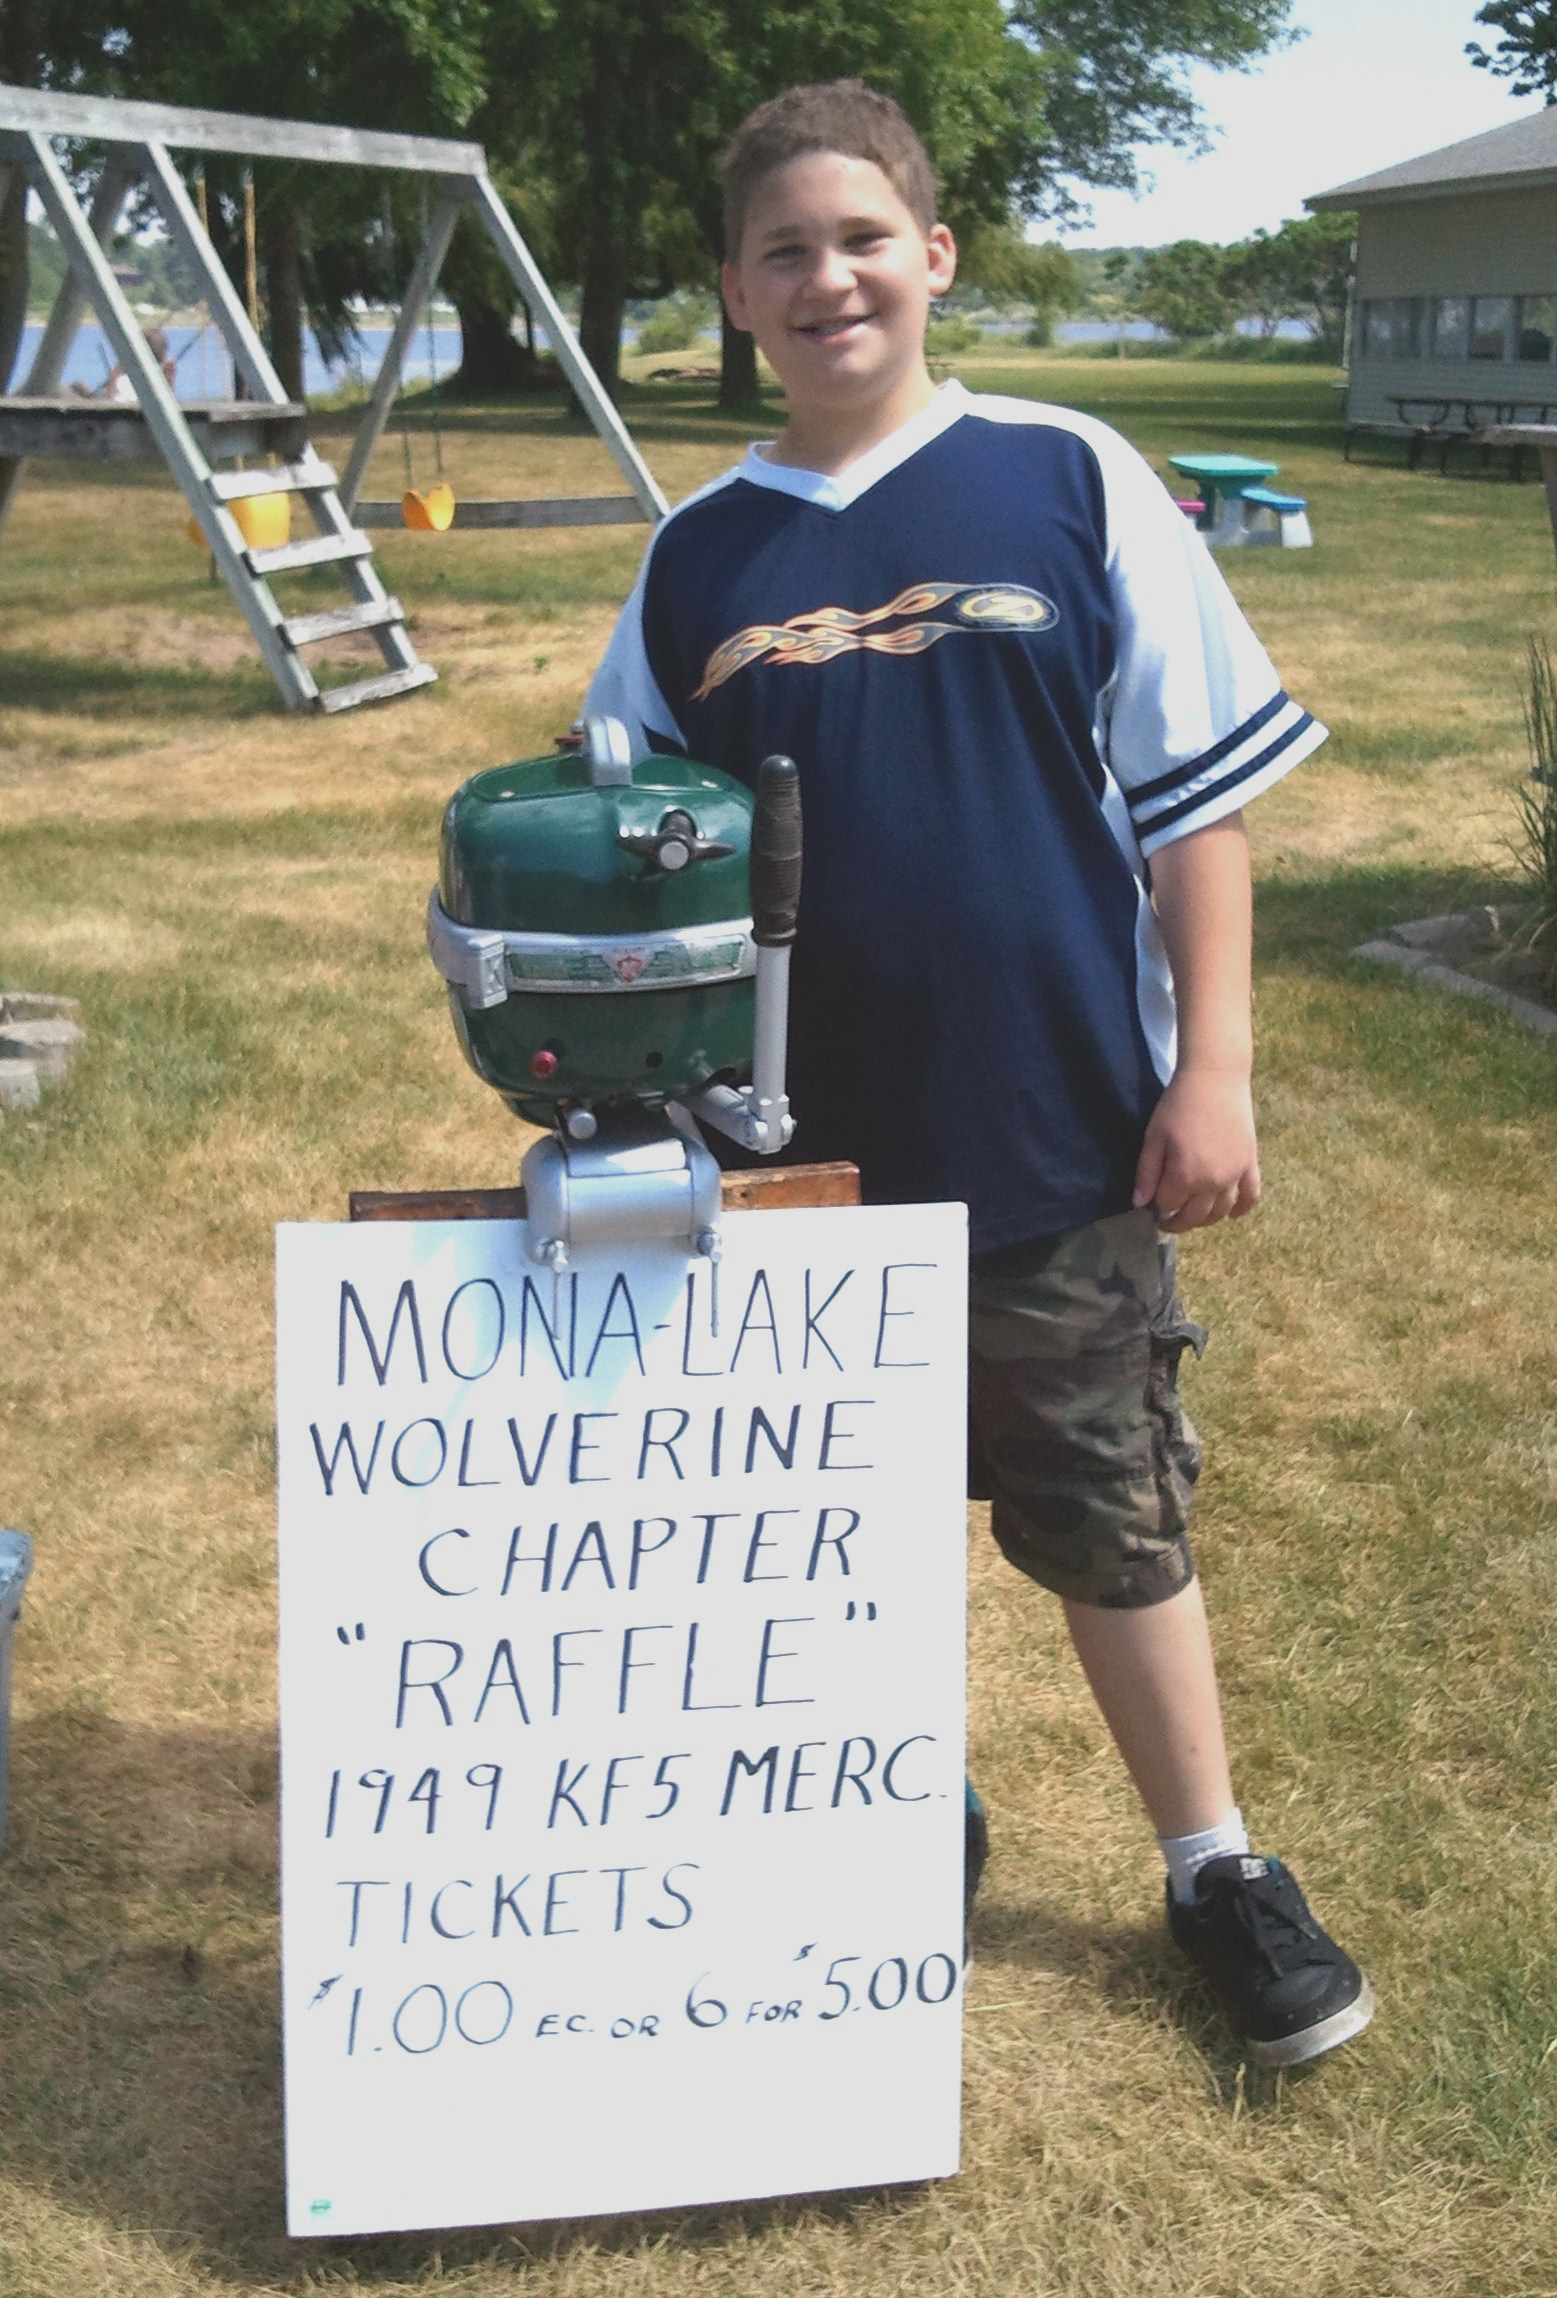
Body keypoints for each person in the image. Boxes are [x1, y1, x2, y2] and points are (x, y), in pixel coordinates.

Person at [586, 79, 1373, 2069]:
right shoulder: (695, 555)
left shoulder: (1061, 475)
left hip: (1051, 1124)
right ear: (734, 295)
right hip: (786, 1154)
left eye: (862, 238)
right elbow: (629, 849)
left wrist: (1214, 1071)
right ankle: (896, 1806)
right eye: (783, 251)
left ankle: (1210, 1864)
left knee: (1106, 1506)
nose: (827, 277)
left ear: (932, 256)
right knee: (828, 1512)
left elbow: (1193, 808)